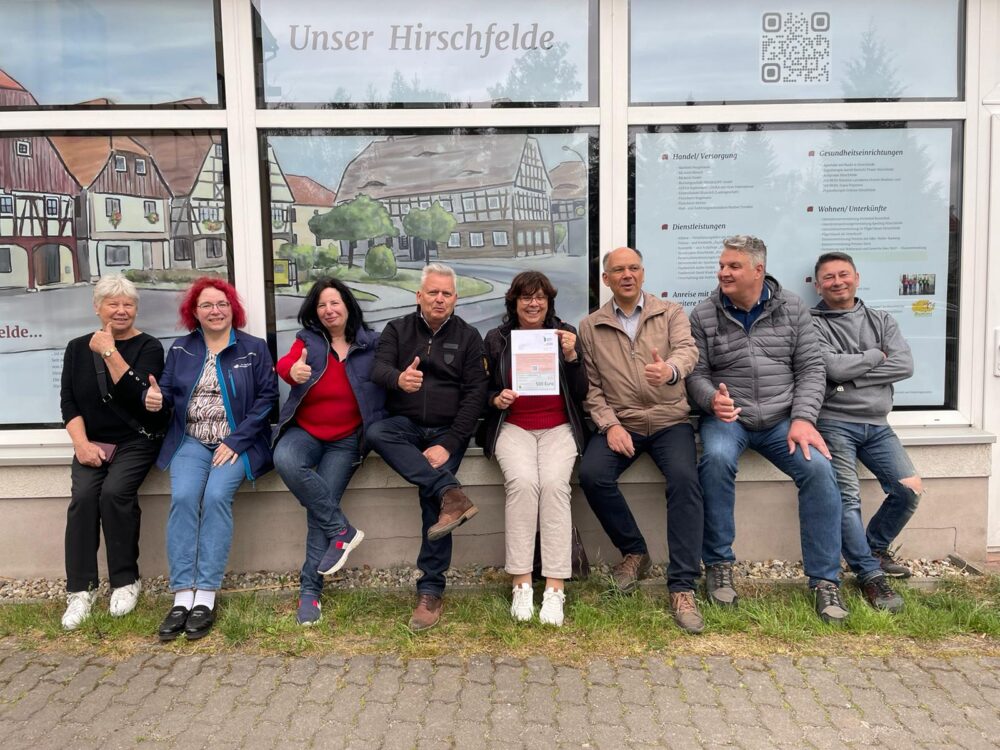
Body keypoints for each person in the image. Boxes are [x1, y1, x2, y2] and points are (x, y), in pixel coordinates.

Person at [688, 235, 849, 624]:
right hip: (729, 418)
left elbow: (812, 368)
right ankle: (719, 564)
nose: (723, 272)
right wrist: (712, 400)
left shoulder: (792, 307)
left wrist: (803, 418)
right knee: (715, 459)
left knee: (818, 469)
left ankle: (825, 580)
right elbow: (696, 373)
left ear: (758, 270)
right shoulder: (704, 313)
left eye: (733, 266)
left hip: (783, 420)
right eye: (722, 265)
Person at [577, 247, 706, 634]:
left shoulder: (670, 313)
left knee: (685, 481)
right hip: (625, 422)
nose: (627, 275)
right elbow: (592, 387)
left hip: (670, 420)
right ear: (606, 279)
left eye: (633, 268)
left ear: (643, 274)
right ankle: (633, 552)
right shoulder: (590, 325)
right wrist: (609, 425)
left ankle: (682, 586)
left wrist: (669, 371)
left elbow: (688, 351)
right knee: (592, 474)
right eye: (618, 270)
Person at [145, 277, 277, 641]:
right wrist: (155, 401)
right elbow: (169, 395)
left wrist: (237, 440)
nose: (215, 311)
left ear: (232, 308)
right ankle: (182, 594)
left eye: (222, 304)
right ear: (195, 312)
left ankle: (205, 594)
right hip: (191, 440)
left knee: (216, 497)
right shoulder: (182, 349)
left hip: (233, 442)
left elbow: (267, 399)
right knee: (185, 498)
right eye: (207, 305)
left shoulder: (253, 348)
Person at [366, 263, 489, 632]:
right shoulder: (397, 329)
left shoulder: (469, 337)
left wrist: (451, 442)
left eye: (446, 293)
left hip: (446, 430)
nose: (439, 299)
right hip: (404, 425)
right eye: (432, 292)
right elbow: (378, 369)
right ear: (418, 296)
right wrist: (398, 379)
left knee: (431, 501)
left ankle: (431, 588)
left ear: (456, 298)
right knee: (377, 433)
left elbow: (476, 395)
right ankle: (450, 491)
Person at [272, 278, 386, 626]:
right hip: (305, 432)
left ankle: (310, 592)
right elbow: (286, 365)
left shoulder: (371, 344)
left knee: (319, 510)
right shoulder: (308, 340)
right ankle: (344, 531)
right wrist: (292, 371)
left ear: (348, 305)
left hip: (346, 439)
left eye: (334, 303)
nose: (328, 310)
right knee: (284, 459)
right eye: (322, 305)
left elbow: (390, 378)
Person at [479, 271, 589, 627]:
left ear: (548, 301)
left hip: (559, 428)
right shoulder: (496, 339)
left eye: (540, 297)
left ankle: (555, 589)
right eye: (525, 297)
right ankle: (522, 583)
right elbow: (480, 391)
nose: (533, 303)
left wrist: (572, 357)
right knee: (524, 485)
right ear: (514, 301)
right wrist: (496, 398)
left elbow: (582, 391)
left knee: (555, 487)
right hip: (514, 427)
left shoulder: (564, 334)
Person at [811, 251, 918, 608]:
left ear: (856, 277)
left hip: (877, 424)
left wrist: (848, 378)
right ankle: (869, 574)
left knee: (909, 490)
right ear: (817, 284)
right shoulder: (812, 323)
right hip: (834, 422)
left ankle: (874, 546)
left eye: (843, 274)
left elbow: (904, 364)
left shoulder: (881, 319)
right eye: (829, 277)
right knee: (847, 500)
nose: (837, 282)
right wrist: (874, 357)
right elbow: (831, 368)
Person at [59, 275, 166, 630]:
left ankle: (125, 581)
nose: (121, 311)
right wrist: (81, 444)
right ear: (97, 307)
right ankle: (80, 590)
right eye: (113, 304)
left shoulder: (150, 347)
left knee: (115, 493)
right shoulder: (76, 348)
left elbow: (139, 399)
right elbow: (69, 402)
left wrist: (108, 350)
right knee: (85, 498)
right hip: (91, 441)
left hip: (136, 439)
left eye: (128, 304)